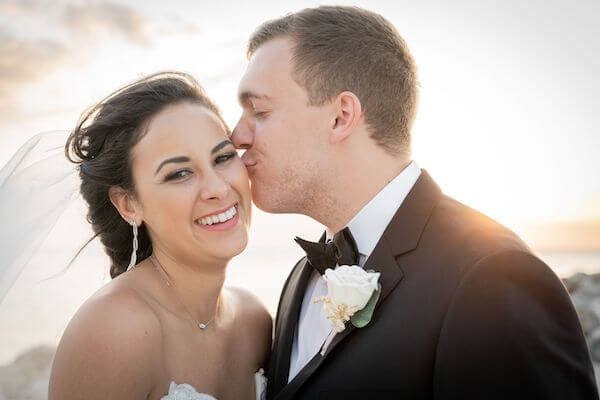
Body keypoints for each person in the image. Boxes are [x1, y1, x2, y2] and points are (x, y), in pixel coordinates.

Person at [231, 6, 598, 399]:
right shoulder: (302, 277)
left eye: (261, 111)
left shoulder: (492, 277)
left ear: (340, 116)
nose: (237, 135)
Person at [44, 72, 271, 399]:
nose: (219, 189)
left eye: (222, 157)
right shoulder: (113, 331)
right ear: (128, 203)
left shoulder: (254, 320)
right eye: (179, 174)